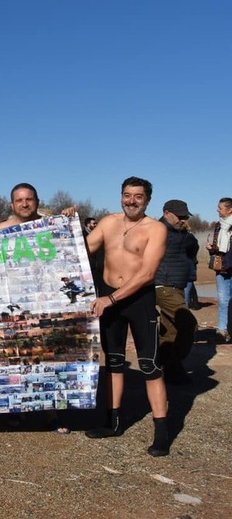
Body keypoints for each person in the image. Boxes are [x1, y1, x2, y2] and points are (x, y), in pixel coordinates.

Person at [84, 176, 170, 456]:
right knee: (114, 362)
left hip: (138, 299)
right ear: (121, 195)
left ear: (147, 200)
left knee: (150, 365)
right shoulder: (108, 223)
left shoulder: (155, 229)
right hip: (109, 298)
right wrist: (64, 225)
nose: (131, 201)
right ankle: (114, 422)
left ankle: (162, 432)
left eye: (138, 196)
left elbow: (147, 273)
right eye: (127, 195)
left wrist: (110, 299)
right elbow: (83, 249)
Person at [153, 199, 198, 384]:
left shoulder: (181, 233)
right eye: (179, 216)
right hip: (164, 285)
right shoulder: (158, 231)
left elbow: (193, 247)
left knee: (170, 330)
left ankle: (164, 366)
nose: (182, 219)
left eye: (185, 216)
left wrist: (185, 232)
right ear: (166, 213)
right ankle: (172, 364)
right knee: (188, 324)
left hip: (177, 285)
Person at [206, 197, 232, 343]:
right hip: (221, 267)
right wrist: (211, 249)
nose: (217, 210)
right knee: (223, 300)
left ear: (230, 210)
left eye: (220, 207)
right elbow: (219, 248)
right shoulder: (218, 225)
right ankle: (222, 330)